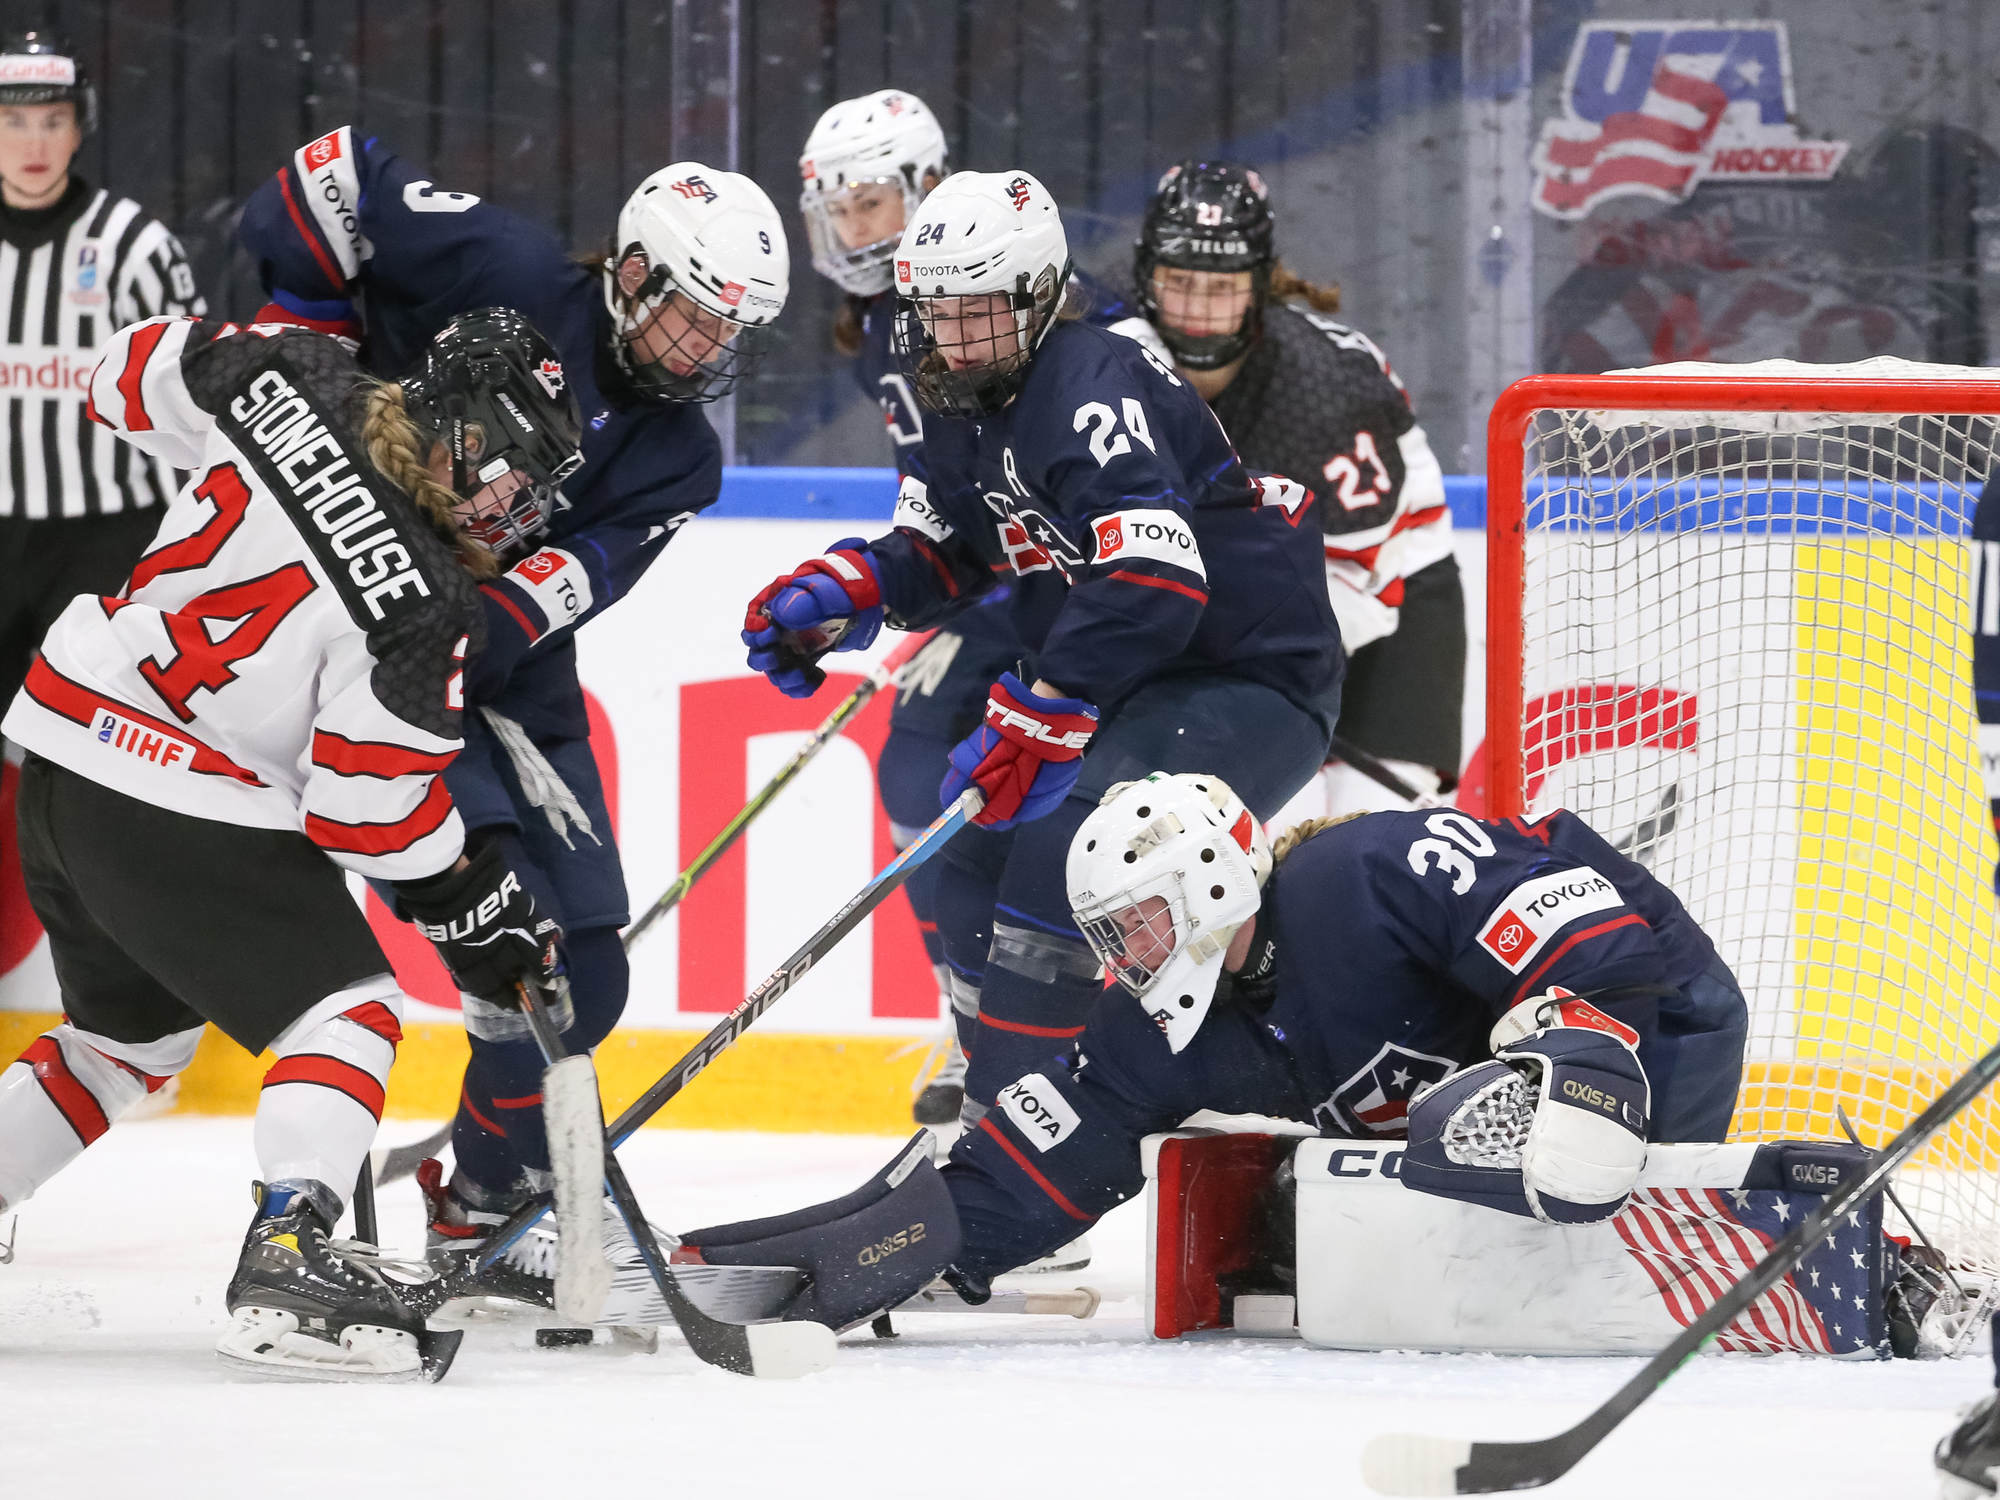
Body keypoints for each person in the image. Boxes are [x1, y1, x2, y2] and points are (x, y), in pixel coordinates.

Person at [239, 128, 789, 1298]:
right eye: (692, 314)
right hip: (355, 632)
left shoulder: (679, 456)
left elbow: (565, 583)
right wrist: (316, 354)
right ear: (631, 270)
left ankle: (483, 1206)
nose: (703, 352)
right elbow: (324, 173)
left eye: (726, 333)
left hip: (492, 662)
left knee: (588, 969)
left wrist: (462, 632)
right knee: (511, 937)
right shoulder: (501, 263)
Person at [0, 306, 582, 1380]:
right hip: (171, 794)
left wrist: (248, 403)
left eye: (528, 486)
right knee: (350, 1010)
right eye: (504, 465)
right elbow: (363, 807)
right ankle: (291, 1252)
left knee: (120, 1045)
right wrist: (469, 893)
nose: (510, 504)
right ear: (455, 421)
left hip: (61, 754)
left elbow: (119, 377)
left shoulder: (292, 367)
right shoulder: (430, 606)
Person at [742, 172, 1344, 1144]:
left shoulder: (1088, 381)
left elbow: (1156, 577)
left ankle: (1028, 1147)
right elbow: (959, 548)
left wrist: (1047, 703)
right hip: (1147, 675)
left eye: (979, 311)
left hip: (1253, 676)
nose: (953, 332)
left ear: (1034, 298)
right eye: (937, 310)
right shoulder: (957, 389)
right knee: (968, 844)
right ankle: (996, 1106)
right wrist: (854, 588)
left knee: (1061, 847)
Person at [798, 88, 1142, 1132]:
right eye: (841, 209)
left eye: (870, 203)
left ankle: (1023, 1015)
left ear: (927, 187)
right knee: (912, 766)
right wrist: (890, 572)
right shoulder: (876, 327)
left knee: (998, 799)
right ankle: (968, 1004)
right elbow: (938, 479)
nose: (855, 230)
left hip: (1068, 584)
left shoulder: (1026, 293)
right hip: (991, 573)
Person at [1133, 160, 1464, 817]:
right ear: (1148, 279)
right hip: (1233, 598)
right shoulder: (1117, 361)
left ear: (1260, 285)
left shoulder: (1325, 386)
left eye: (1221, 287)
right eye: (1181, 283)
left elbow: (1362, 573)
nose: (1198, 311)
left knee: (1364, 840)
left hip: (1385, 598)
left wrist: (1227, 657)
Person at [0, 28, 204, 866]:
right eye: (16, 124)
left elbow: (197, 404)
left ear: (79, 129)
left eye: (52, 121)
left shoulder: (135, 248)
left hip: (107, 542)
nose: (35, 143)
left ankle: (108, 990)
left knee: (87, 770)